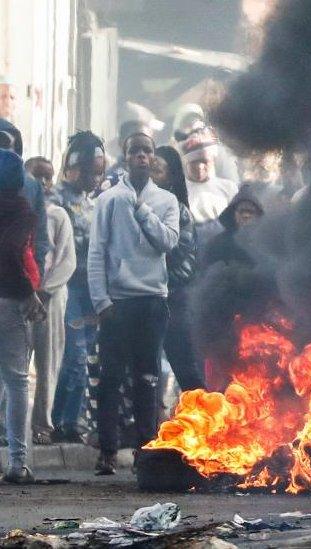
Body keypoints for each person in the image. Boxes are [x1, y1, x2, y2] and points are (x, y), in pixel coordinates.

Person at [88, 132, 179, 475]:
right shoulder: (108, 200)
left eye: (147, 151)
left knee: (148, 378)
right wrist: (101, 301)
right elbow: (97, 252)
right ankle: (107, 451)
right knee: (110, 378)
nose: (141, 156)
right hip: (118, 302)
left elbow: (167, 241)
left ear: (153, 158)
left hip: (152, 300)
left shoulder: (166, 201)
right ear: (125, 157)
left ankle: (146, 451)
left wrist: (141, 209)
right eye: (134, 151)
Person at [50, 132, 105, 444]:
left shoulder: (94, 203)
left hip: (90, 291)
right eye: (86, 171)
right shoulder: (55, 200)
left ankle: (64, 418)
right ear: (70, 168)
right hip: (67, 289)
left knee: (83, 357)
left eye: (97, 173)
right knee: (74, 356)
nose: (93, 179)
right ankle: (68, 421)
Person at [0, 148, 46, 483]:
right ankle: (18, 463)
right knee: (17, 381)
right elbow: (12, 250)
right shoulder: (19, 208)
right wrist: (28, 292)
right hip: (8, 300)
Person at [152, 145, 204, 391]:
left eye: (158, 171)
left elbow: (178, 255)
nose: (152, 176)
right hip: (145, 298)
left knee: (185, 367)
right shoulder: (131, 204)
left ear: (171, 176)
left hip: (173, 298)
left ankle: (206, 419)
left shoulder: (180, 212)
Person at [29, 183, 76, 444]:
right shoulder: (18, 213)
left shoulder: (57, 215)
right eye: (37, 176)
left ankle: (42, 426)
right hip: (20, 296)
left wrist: (44, 293)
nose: (43, 184)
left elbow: (67, 260)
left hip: (51, 297)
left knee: (48, 361)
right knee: (14, 366)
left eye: (47, 177)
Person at [0, 119, 50, 274]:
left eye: (6, 146)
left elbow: (40, 236)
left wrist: (36, 276)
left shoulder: (30, 186)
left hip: (17, 279)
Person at [179, 127, 239, 245]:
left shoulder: (229, 188)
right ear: (186, 163)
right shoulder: (178, 190)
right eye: (194, 162)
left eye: (204, 161)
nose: (200, 166)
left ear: (211, 161)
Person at [201, 185, 264, 269]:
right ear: (232, 214)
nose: (246, 215)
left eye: (251, 212)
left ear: (258, 215)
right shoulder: (218, 243)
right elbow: (207, 273)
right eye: (242, 211)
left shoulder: (267, 243)